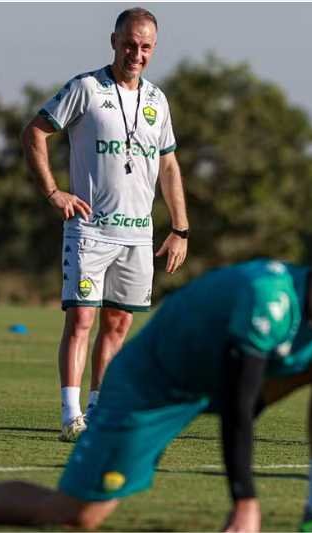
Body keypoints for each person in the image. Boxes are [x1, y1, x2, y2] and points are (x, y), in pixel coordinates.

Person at [0, 231, 312, 532]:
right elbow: (239, 405)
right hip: (152, 388)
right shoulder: (269, 299)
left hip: (216, 380)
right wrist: (246, 505)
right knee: (76, 514)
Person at [21, 7, 189, 442]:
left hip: (138, 235)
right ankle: (70, 415)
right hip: (90, 230)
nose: (137, 53)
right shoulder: (86, 88)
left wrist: (180, 229)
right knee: (81, 319)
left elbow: (169, 166)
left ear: (154, 48)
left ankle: (98, 410)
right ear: (114, 41)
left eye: (145, 47)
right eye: (129, 44)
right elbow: (35, 132)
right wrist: (53, 192)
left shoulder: (157, 100)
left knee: (117, 325)